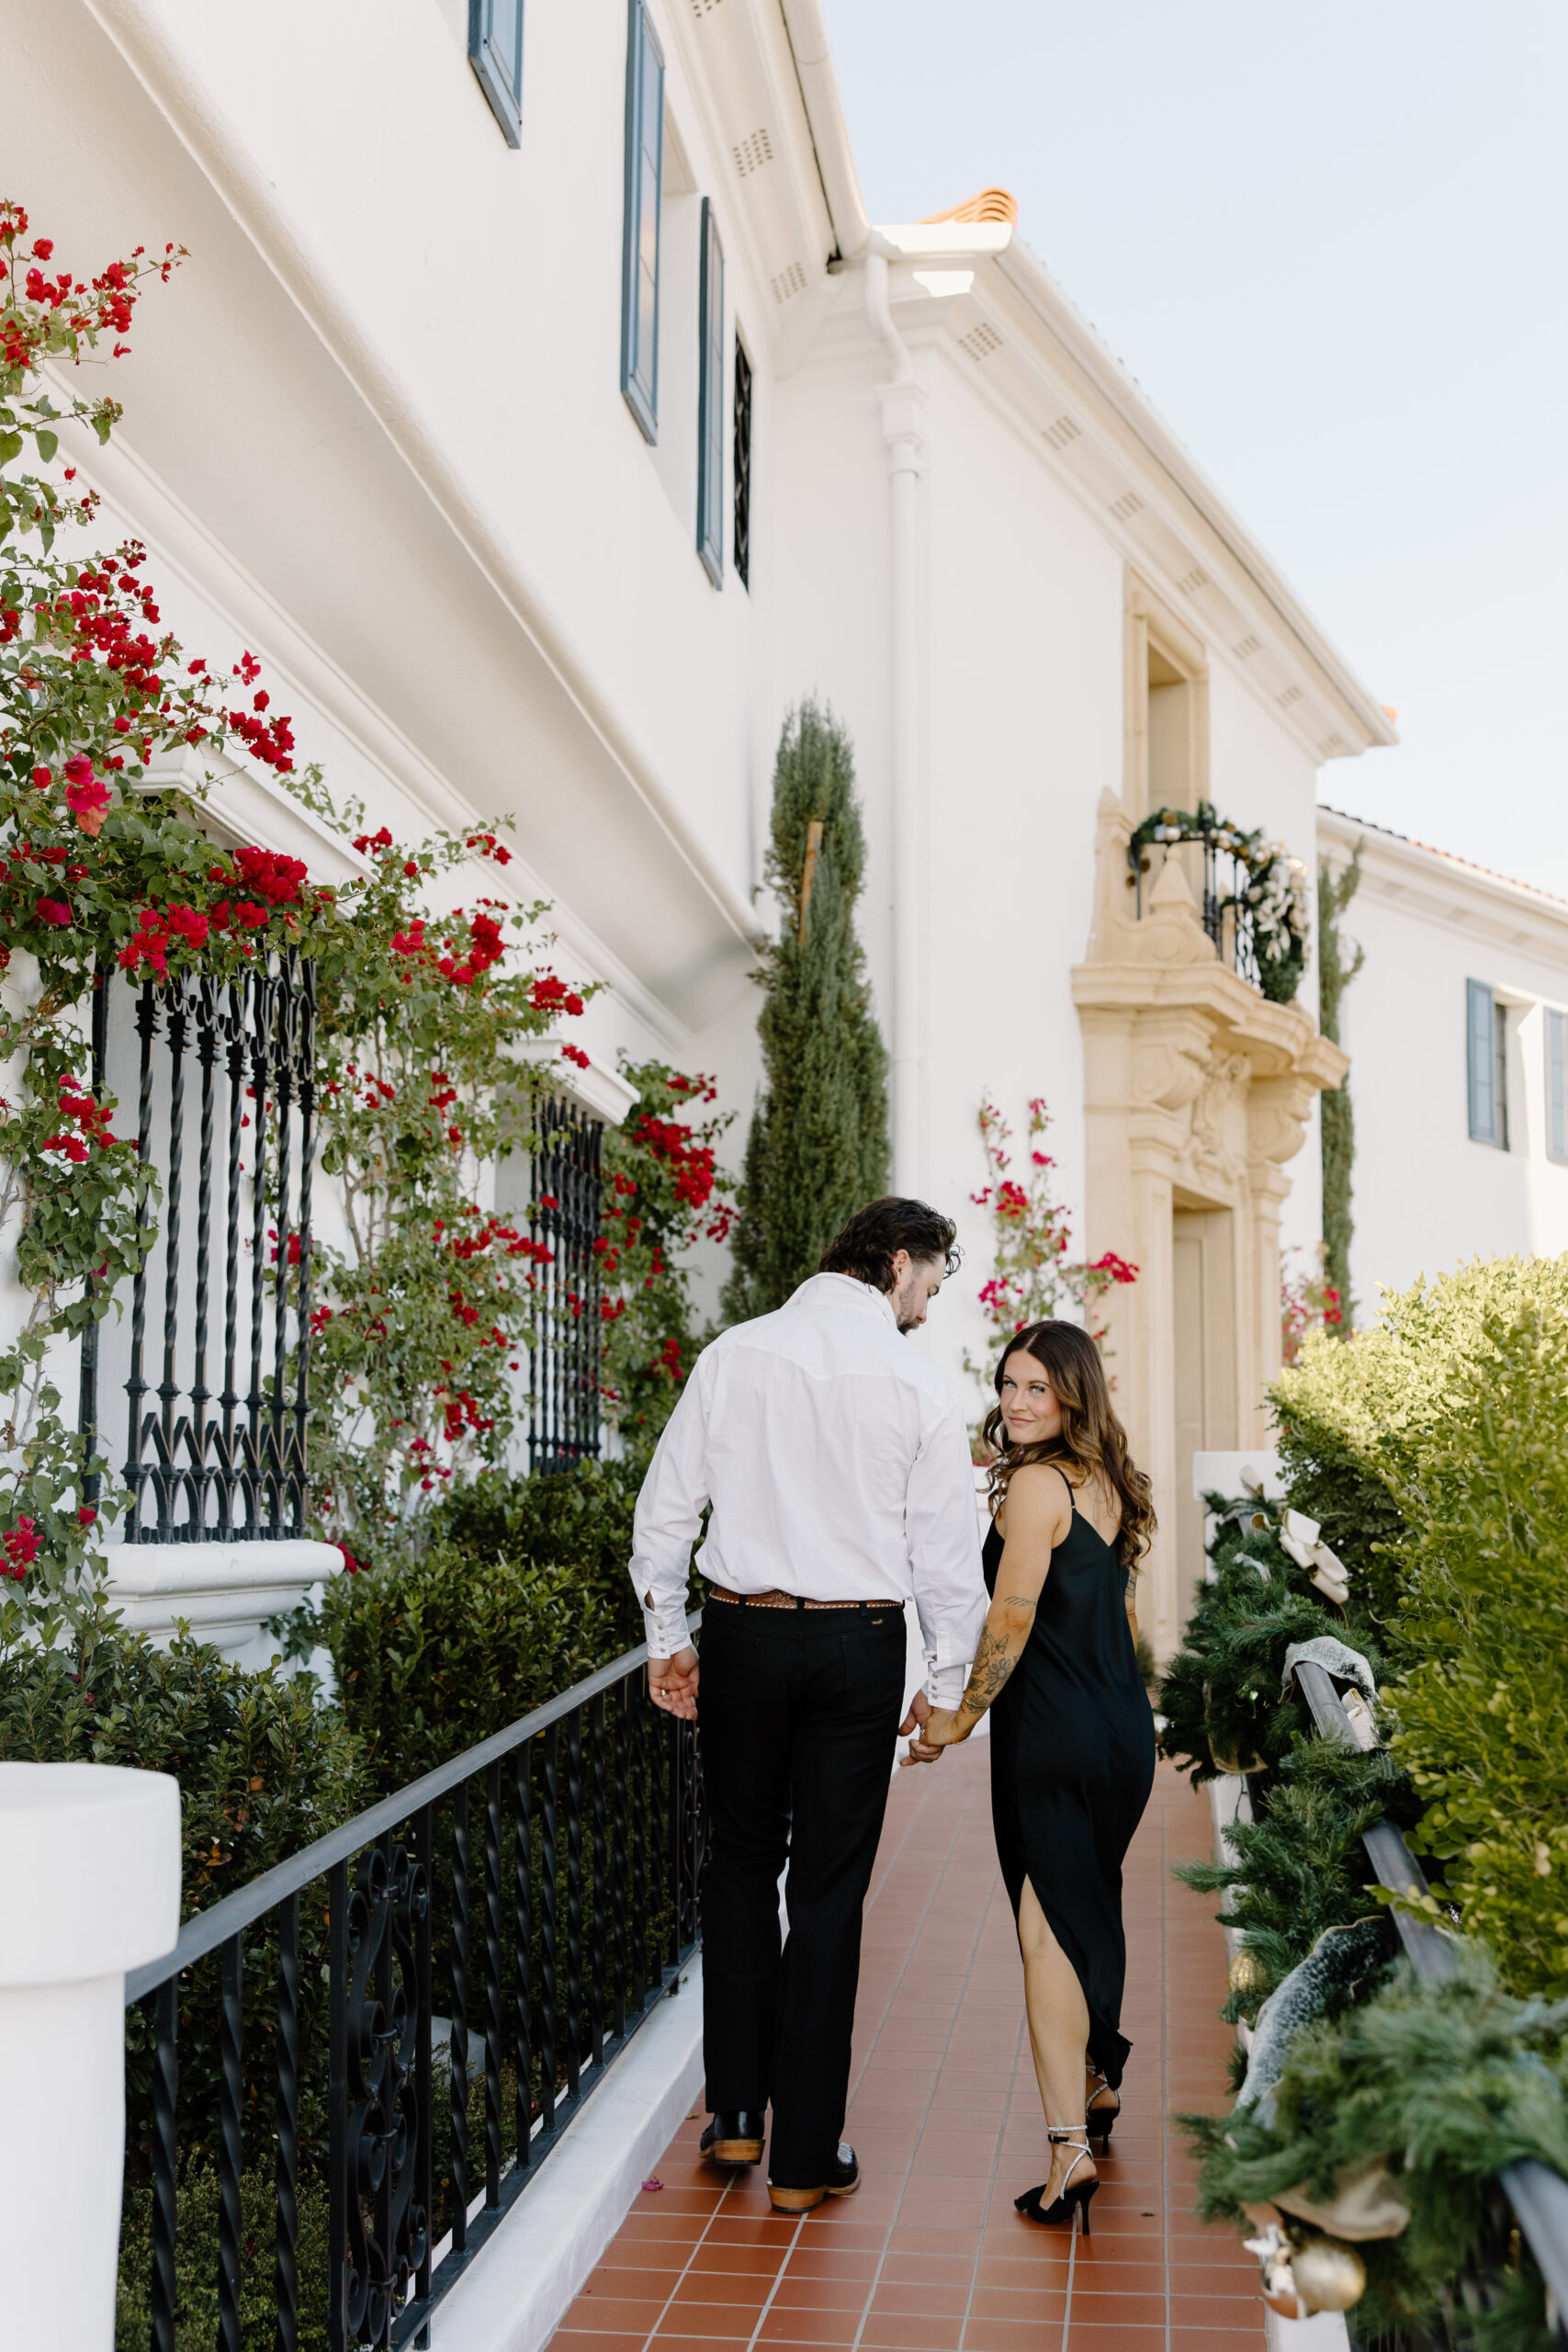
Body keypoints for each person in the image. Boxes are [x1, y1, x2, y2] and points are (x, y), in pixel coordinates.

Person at [628, 1197, 987, 2213]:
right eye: (935, 1279)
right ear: (900, 1263)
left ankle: (737, 2116)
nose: (930, 1301)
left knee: (740, 1864)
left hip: (743, 1633)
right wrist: (947, 1688)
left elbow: (663, 1517)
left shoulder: (736, 1354)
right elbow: (947, 1563)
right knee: (829, 1890)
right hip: (859, 1642)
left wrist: (670, 1640)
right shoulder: (917, 1382)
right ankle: (805, 2159)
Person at [914, 1318, 1156, 2233]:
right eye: (1009, 1384)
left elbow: (1010, 1618)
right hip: (1118, 1729)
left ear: (1071, 1397)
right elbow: (1119, 1622)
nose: (1017, 1402)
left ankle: (1067, 2150)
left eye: (1036, 1389)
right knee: (1091, 1896)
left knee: (1043, 1929)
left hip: (1049, 1733)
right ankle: (1098, 2080)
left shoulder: (1033, 1487)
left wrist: (955, 1717)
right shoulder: (1105, 1481)